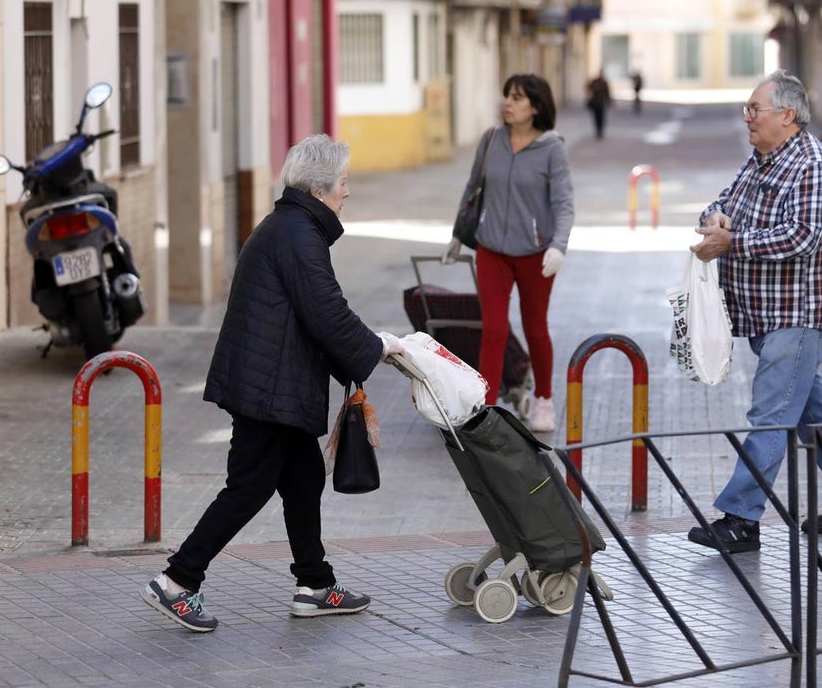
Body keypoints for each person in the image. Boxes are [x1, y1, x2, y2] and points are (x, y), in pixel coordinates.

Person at [140, 135, 405, 631]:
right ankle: (177, 582)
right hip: (269, 391)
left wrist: (367, 348)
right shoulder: (298, 237)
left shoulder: (290, 227)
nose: (347, 192)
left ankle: (315, 584)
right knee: (247, 488)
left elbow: (311, 315)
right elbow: (327, 313)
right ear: (320, 188)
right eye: (344, 183)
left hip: (273, 385)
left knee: (303, 479)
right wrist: (378, 348)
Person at [686, 70, 822, 554]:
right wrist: (716, 219)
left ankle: (741, 518)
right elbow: (718, 204)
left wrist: (733, 242)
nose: (748, 118)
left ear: (787, 116)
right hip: (765, 317)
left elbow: (802, 237)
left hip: (798, 314)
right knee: (811, 412)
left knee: (771, 414)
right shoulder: (760, 162)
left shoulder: (814, 165)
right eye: (748, 110)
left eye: (756, 109)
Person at [443, 74, 574, 434]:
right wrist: (459, 234)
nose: (508, 103)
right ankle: (485, 407)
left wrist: (558, 245)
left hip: (536, 254)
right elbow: (473, 188)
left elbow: (564, 205)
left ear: (536, 106)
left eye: (517, 98)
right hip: (492, 250)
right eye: (507, 96)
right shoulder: (491, 141)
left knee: (535, 329)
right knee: (495, 329)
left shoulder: (552, 149)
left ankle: (544, 399)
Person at [585, 71, 612, 140]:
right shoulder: (596, 81)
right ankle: (598, 130)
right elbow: (588, 87)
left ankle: (600, 130)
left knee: (600, 117)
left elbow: (607, 92)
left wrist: (608, 101)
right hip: (596, 103)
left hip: (600, 102)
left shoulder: (603, 82)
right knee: (597, 117)